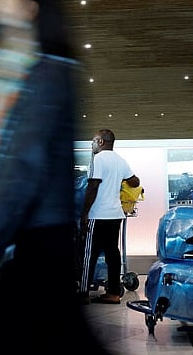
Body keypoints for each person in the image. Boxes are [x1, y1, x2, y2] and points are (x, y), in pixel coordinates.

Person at [0, 0, 110, 353]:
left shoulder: (46, 74)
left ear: (29, 8)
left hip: (36, 245)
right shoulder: (29, 72)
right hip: (33, 243)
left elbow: (23, 171)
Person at [79, 129, 140, 305]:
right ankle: (113, 293)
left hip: (98, 214)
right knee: (112, 253)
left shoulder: (98, 159)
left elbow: (92, 187)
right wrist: (120, 179)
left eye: (93, 141)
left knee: (89, 254)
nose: (92, 144)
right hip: (115, 215)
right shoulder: (121, 161)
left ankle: (83, 293)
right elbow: (135, 181)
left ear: (100, 142)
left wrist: (84, 213)